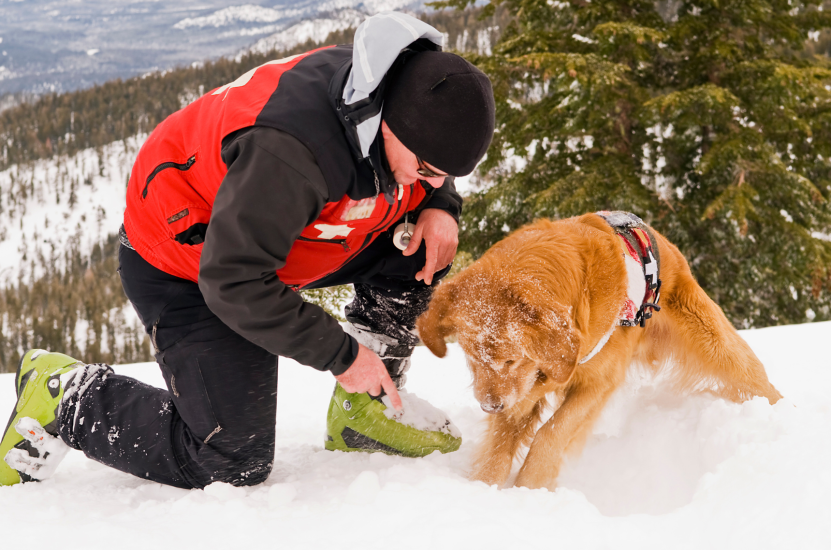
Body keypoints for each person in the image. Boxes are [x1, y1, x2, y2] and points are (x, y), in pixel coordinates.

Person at [0, 12, 495, 488]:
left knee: (423, 248)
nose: (432, 181)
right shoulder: (290, 153)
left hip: (279, 245)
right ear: (390, 124)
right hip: (189, 264)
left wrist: (442, 205)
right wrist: (343, 356)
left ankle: (364, 410)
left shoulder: (400, 94)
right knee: (232, 458)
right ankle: (65, 395)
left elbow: (430, 173)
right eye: (427, 169)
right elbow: (234, 280)